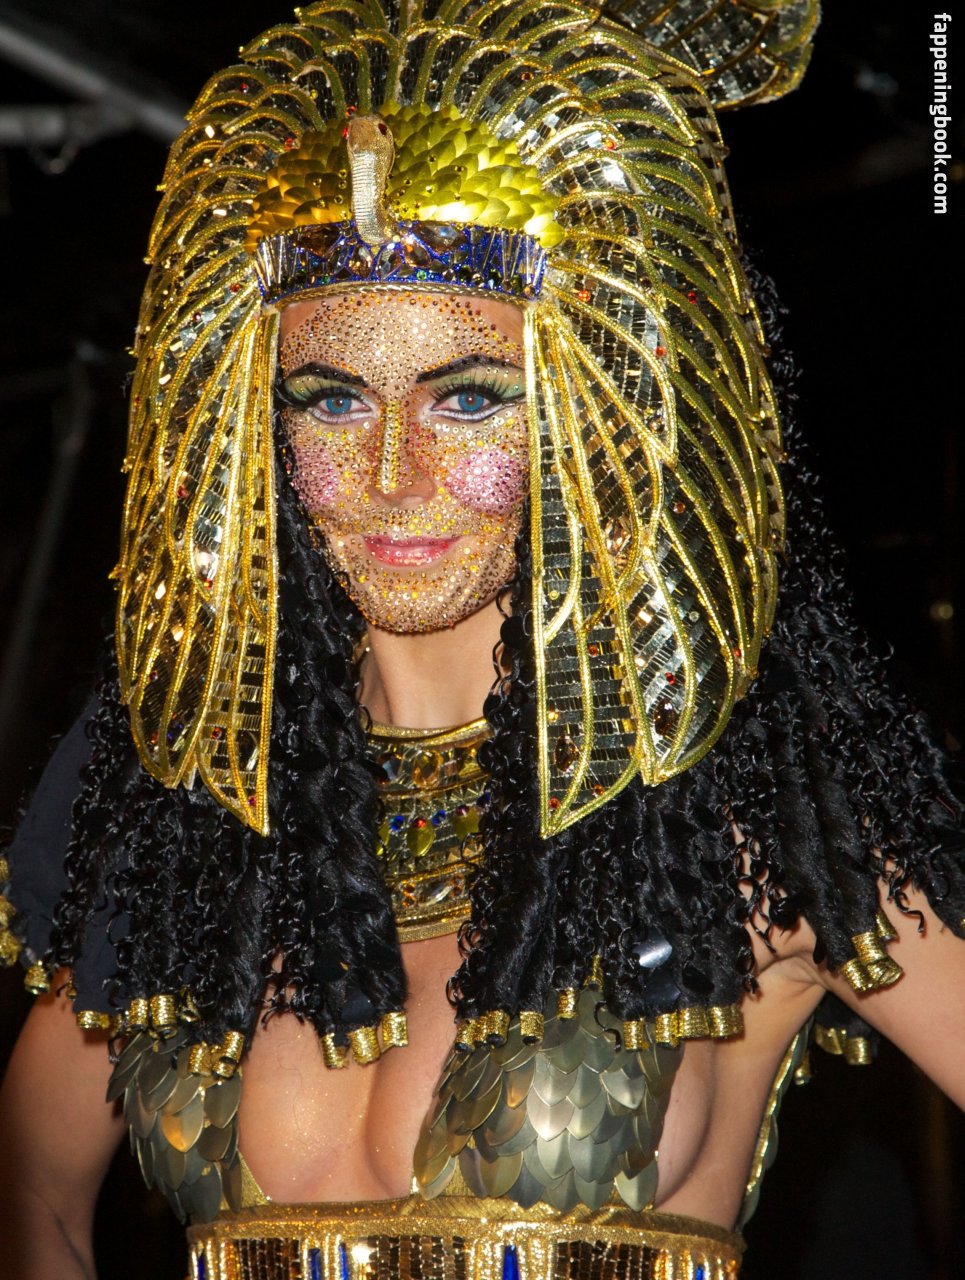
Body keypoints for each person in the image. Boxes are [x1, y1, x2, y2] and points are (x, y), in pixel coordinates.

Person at [1, 2, 963, 1277]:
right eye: (332, 400)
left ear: (590, 409)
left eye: (466, 399)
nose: (392, 474)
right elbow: (33, 1194)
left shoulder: (749, 823)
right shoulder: (192, 831)